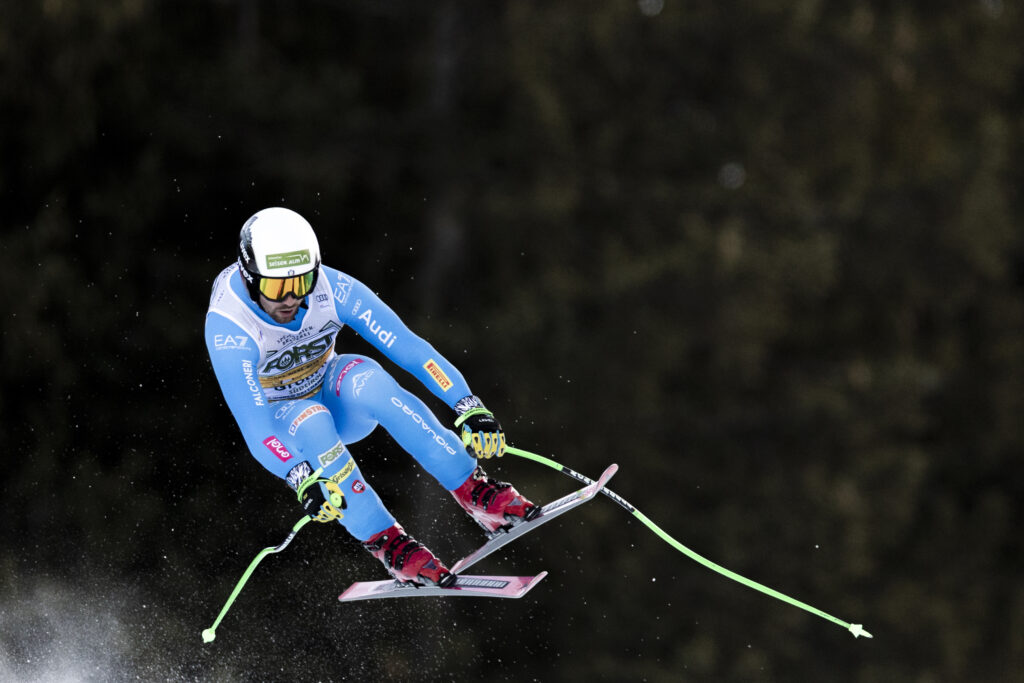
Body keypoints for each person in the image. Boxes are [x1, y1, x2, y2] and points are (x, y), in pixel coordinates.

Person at [204, 207, 539, 587]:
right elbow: (255, 426)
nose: (292, 299)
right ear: (250, 280)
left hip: (334, 392)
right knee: (311, 419)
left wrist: (468, 405)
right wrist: (299, 476)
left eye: (303, 282)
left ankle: (471, 487)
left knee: (370, 380)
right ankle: (388, 542)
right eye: (277, 288)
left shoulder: (332, 288)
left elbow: (410, 349)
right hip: (288, 422)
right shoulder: (229, 327)